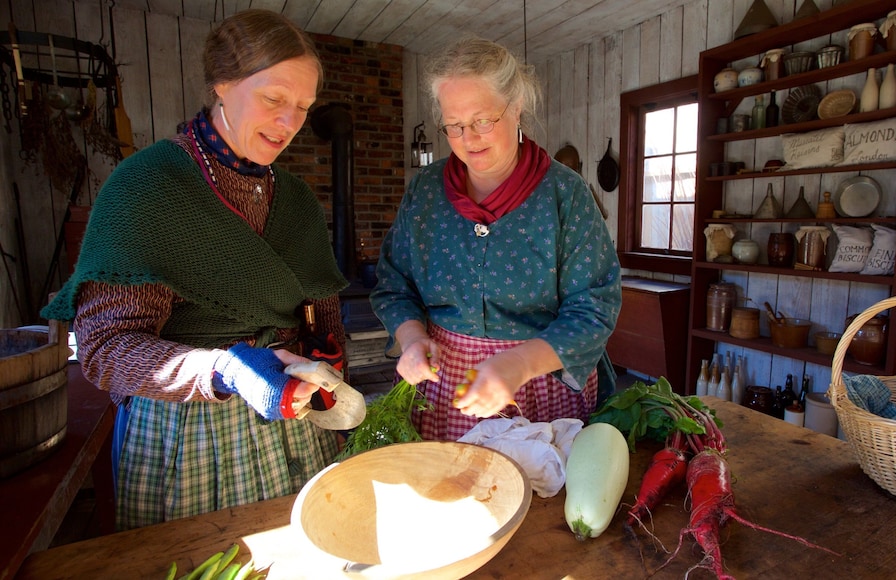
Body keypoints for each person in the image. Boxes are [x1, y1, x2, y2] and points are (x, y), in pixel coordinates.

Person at [41, 9, 348, 530]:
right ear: (222, 85)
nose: (289, 122)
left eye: (303, 107)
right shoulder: (149, 187)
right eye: (274, 99)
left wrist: (328, 358)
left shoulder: (294, 199)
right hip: (191, 436)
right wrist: (225, 370)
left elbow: (319, 304)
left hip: (293, 424)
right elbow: (104, 350)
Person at [370, 36, 622, 441]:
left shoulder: (565, 193)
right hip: (446, 388)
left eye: (483, 120)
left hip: (541, 387)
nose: (469, 138)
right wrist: (412, 337)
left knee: (541, 499)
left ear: (516, 108)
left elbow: (593, 309)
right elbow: (394, 284)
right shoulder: (427, 191)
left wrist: (518, 365)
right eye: (454, 126)